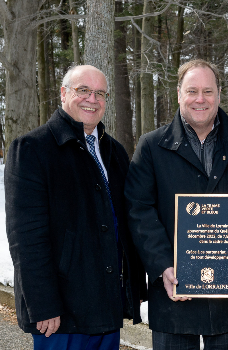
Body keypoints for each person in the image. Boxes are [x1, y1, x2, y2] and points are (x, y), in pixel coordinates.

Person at [125, 59, 228, 350]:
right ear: (179, 93)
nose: (200, 99)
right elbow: (138, 210)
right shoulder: (152, 146)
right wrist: (163, 265)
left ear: (218, 94)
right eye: (192, 91)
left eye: (208, 91)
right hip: (174, 294)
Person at [5, 65, 146, 349]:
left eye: (100, 93)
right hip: (60, 313)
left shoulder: (115, 152)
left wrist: (135, 288)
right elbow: (26, 237)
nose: (91, 99)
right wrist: (43, 304)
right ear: (64, 94)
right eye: (83, 90)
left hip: (106, 305)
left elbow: (129, 222)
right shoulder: (32, 149)